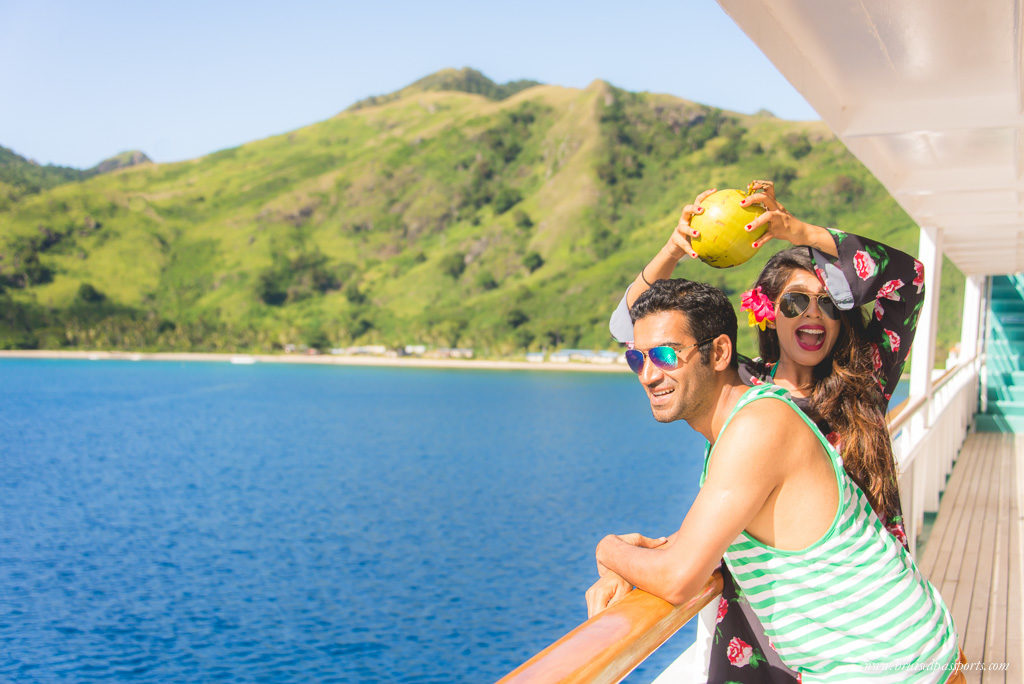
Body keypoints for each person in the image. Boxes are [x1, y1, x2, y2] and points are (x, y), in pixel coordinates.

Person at [608, 180, 925, 682]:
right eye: (795, 303)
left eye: (828, 305)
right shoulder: (744, 384)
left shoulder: (862, 382)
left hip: (862, 615)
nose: (813, 315)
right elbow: (641, 332)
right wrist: (674, 247)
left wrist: (796, 231)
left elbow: (908, 279)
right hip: (769, 604)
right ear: (767, 312)